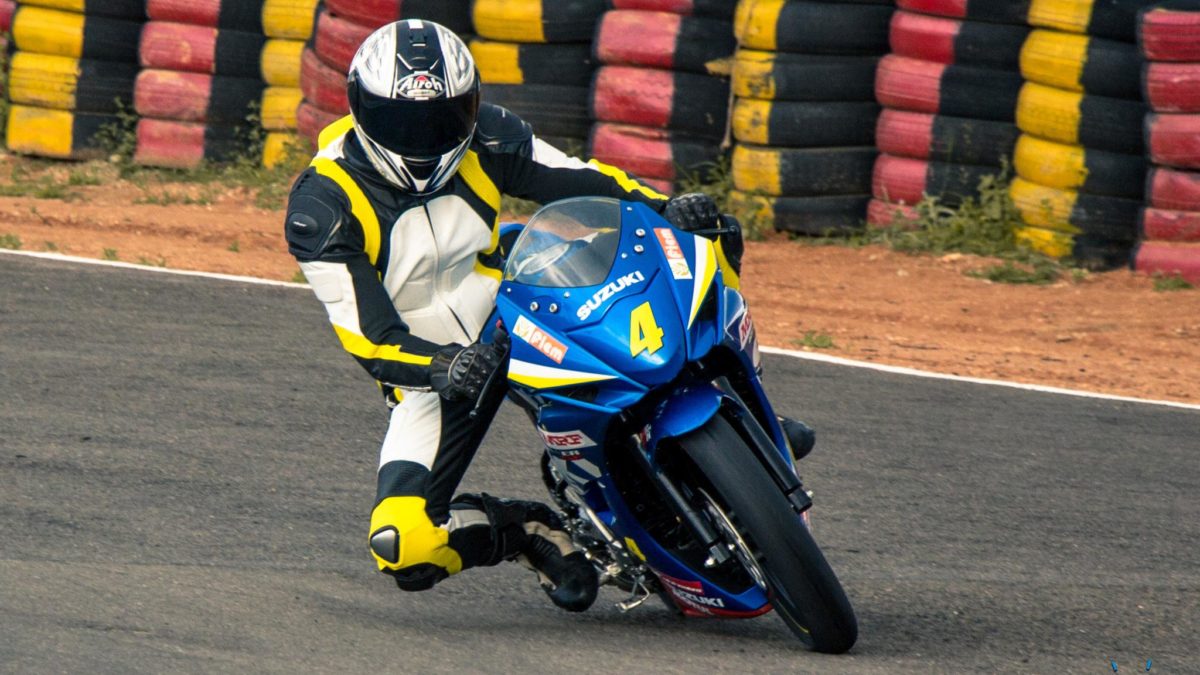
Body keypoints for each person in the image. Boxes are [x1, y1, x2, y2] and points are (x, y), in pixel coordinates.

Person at [283, 19, 814, 612]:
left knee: (698, 248)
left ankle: (745, 415)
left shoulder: (487, 136)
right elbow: (370, 338)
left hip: (511, 302)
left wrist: (666, 209)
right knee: (401, 545)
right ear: (360, 108)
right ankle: (529, 531)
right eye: (402, 123)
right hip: (431, 365)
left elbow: (579, 180)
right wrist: (444, 367)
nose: (425, 139)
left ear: (470, 106)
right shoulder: (321, 207)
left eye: (443, 121)